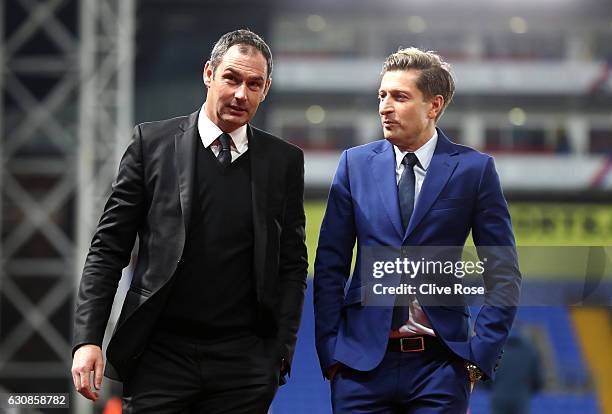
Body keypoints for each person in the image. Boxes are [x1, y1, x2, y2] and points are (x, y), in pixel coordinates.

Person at [71, 29, 308, 413]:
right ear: (208, 74)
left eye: (253, 84)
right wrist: (87, 339)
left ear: (265, 90)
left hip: (244, 364)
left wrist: (279, 351)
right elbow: (108, 250)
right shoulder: (151, 144)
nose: (240, 94)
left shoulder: (283, 161)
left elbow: (293, 264)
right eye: (231, 78)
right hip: (159, 355)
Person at [313, 47, 521, 413]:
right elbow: (330, 265)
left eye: (399, 96)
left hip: (440, 366)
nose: (385, 107)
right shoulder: (354, 164)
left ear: (434, 105)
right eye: (382, 96)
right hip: (360, 368)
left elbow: (503, 273)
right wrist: (331, 352)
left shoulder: (474, 170)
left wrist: (478, 354)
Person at [487, 325, 544, 414]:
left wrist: (493, 388)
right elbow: (538, 380)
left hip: (499, 396)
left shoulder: (496, 351)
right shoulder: (530, 352)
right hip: (521, 398)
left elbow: (486, 378)